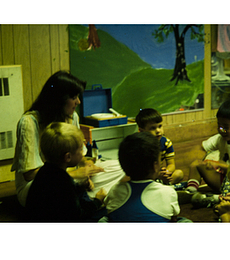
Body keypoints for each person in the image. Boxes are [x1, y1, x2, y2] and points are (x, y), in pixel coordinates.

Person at [11, 71, 104, 207]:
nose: (78, 101)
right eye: (74, 97)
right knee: (59, 190)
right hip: (39, 185)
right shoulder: (29, 122)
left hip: (67, 179)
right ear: (59, 99)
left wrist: (86, 164)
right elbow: (30, 175)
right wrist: (74, 174)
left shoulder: (73, 117)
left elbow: (78, 155)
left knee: (114, 169)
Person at [26, 122, 107, 222]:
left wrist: (80, 188)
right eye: (81, 150)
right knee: (106, 212)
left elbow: (62, 198)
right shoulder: (63, 181)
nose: (83, 154)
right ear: (68, 157)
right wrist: (98, 201)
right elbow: (77, 215)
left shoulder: (45, 172)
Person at [103, 132, 191, 222]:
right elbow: (173, 220)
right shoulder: (168, 192)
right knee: (183, 221)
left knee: (104, 219)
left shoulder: (115, 190)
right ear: (155, 166)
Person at [182, 100, 230, 206]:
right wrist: (199, 157)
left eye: (226, 127)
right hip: (222, 180)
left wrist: (218, 164)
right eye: (219, 126)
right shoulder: (220, 138)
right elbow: (201, 148)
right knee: (196, 164)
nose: (221, 131)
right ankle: (190, 192)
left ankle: (216, 199)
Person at [135, 108, 184, 185]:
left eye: (160, 126)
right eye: (153, 128)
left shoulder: (166, 143)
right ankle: (163, 186)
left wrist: (166, 173)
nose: (158, 131)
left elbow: (171, 164)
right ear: (141, 131)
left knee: (179, 174)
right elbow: (139, 170)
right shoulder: (139, 145)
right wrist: (157, 175)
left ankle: (161, 185)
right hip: (144, 176)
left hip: (159, 174)